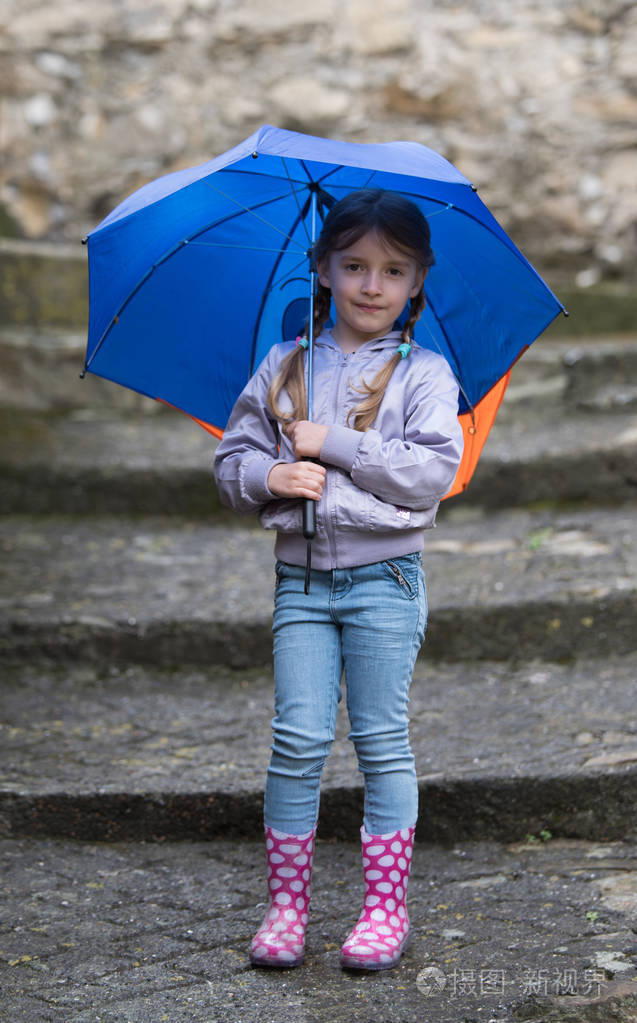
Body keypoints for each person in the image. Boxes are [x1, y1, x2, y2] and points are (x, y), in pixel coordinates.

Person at [213, 188, 463, 971]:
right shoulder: (284, 365)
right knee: (296, 741)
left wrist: (337, 447)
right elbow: (229, 462)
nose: (369, 285)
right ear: (322, 269)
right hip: (302, 586)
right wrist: (271, 475)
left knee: (381, 741)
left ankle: (383, 908)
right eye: (352, 265)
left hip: (385, 579)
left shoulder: (423, 373)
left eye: (392, 270)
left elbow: (429, 474)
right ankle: (286, 907)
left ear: (417, 280)